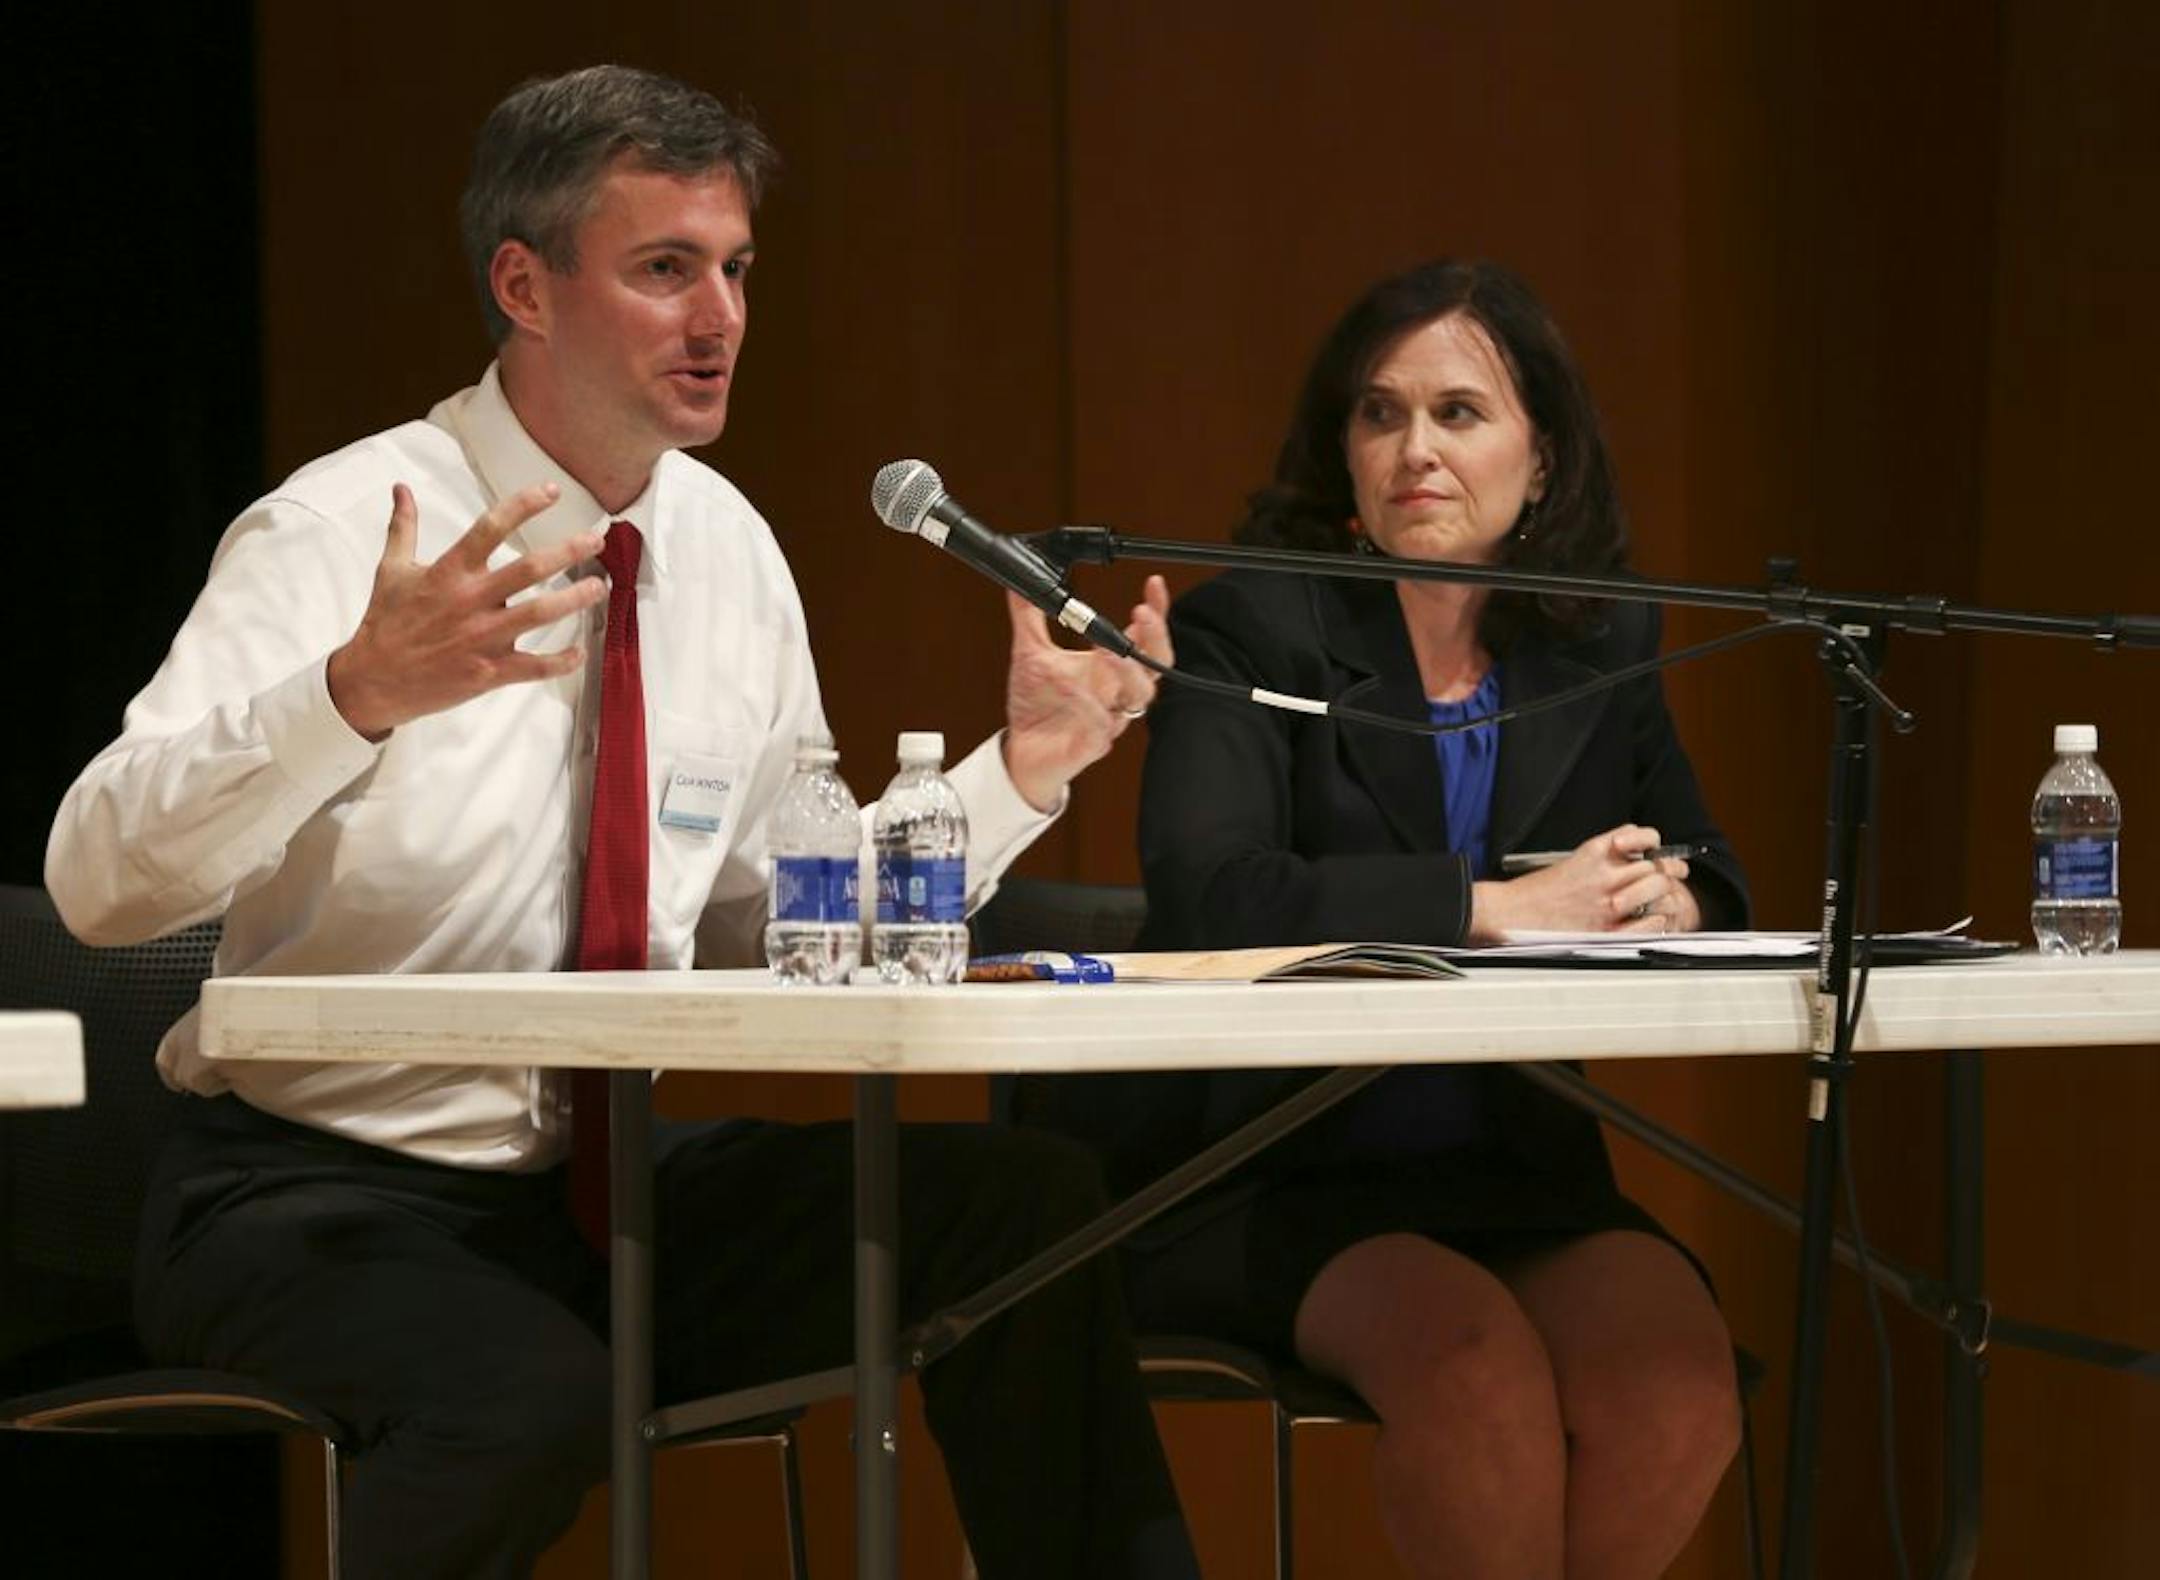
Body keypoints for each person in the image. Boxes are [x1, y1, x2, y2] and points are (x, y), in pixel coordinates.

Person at [46, 65, 1197, 1580]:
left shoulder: (725, 551)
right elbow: (96, 876)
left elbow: (785, 928)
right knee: (527, 1403)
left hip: (607, 1194)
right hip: (311, 1189)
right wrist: (350, 695)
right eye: (666, 270)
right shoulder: (347, 529)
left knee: (1016, 1207)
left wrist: (1022, 773)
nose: (719, 318)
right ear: (524, 283)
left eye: (735, 270)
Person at [1020, 259, 1748, 1579]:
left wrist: (1672, 896)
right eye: (1379, 414)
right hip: (1264, 1165)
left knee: (1675, 1385)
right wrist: (1496, 908)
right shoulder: (1253, 632)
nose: (1414, 448)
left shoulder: (1595, 649)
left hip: (1511, 1165)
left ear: (1545, 460)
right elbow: (1213, 899)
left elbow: (1713, 869)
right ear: (1343, 457)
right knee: (1475, 1377)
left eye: (1459, 413)